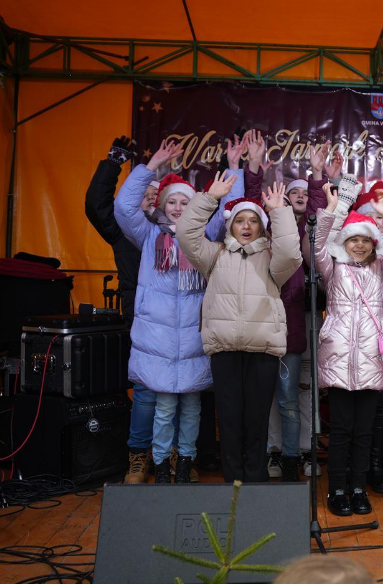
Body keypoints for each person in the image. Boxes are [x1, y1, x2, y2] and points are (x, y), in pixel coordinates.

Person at [114, 137, 245, 483]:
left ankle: (185, 461)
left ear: (195, 205)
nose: (176, 207)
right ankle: (160, 464)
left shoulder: (205, 234)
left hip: (193, 337)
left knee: (191, 408)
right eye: (171, 201)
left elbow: (231, 213)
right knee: (162, 408)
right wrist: (150, 166)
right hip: (156, 338)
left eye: (184, 201)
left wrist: (234, 169)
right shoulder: (147, 234)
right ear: (161, 204)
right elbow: (123, 207)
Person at [177, 173, 303, 482]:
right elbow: (186, 234)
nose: (246, 226)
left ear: (262, 226)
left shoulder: (272, 259)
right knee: (230, 420)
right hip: (225, 351)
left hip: (262, 351)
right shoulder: (214, 255)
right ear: (230, 225)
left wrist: (279, 212)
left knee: (256, 421)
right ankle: (232, 483)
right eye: (240, 220)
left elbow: (291, 254)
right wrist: (209, 198)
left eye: (253, 221)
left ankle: (255, 483)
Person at [313, 184, 383, 516]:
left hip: (371, 361)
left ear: (374, 243)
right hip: (339, 363)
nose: (359, 245)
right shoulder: (332, 269)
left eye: (365, 240)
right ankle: (337, 490)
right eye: (353, 240)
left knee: (364, 432)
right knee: (341, 432)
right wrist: (331, 212)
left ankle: (358, 488)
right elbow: (315, 245)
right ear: (344, 243)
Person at [244, 133, 329, 482]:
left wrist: (317, 174)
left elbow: (316, 212)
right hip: (260, 330)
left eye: (300, 194)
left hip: (294, 329)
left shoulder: (302, 241)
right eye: (287, 195)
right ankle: (272, 453)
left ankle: (294, 457)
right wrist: (253, 166)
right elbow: (248, 209)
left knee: (291, 399)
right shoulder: (263, 238)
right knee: (264, 401)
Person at [85, 135, 165, 484]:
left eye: (155, 194)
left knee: (181, 392)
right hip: (141, 315)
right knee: (146, 390)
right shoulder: (123, 232)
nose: (149, 197)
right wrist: (113, 162)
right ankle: (138, 455)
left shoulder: (175, 232)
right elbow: (96, 205)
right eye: (143, 192)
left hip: (181, 318)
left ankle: (173, 455)